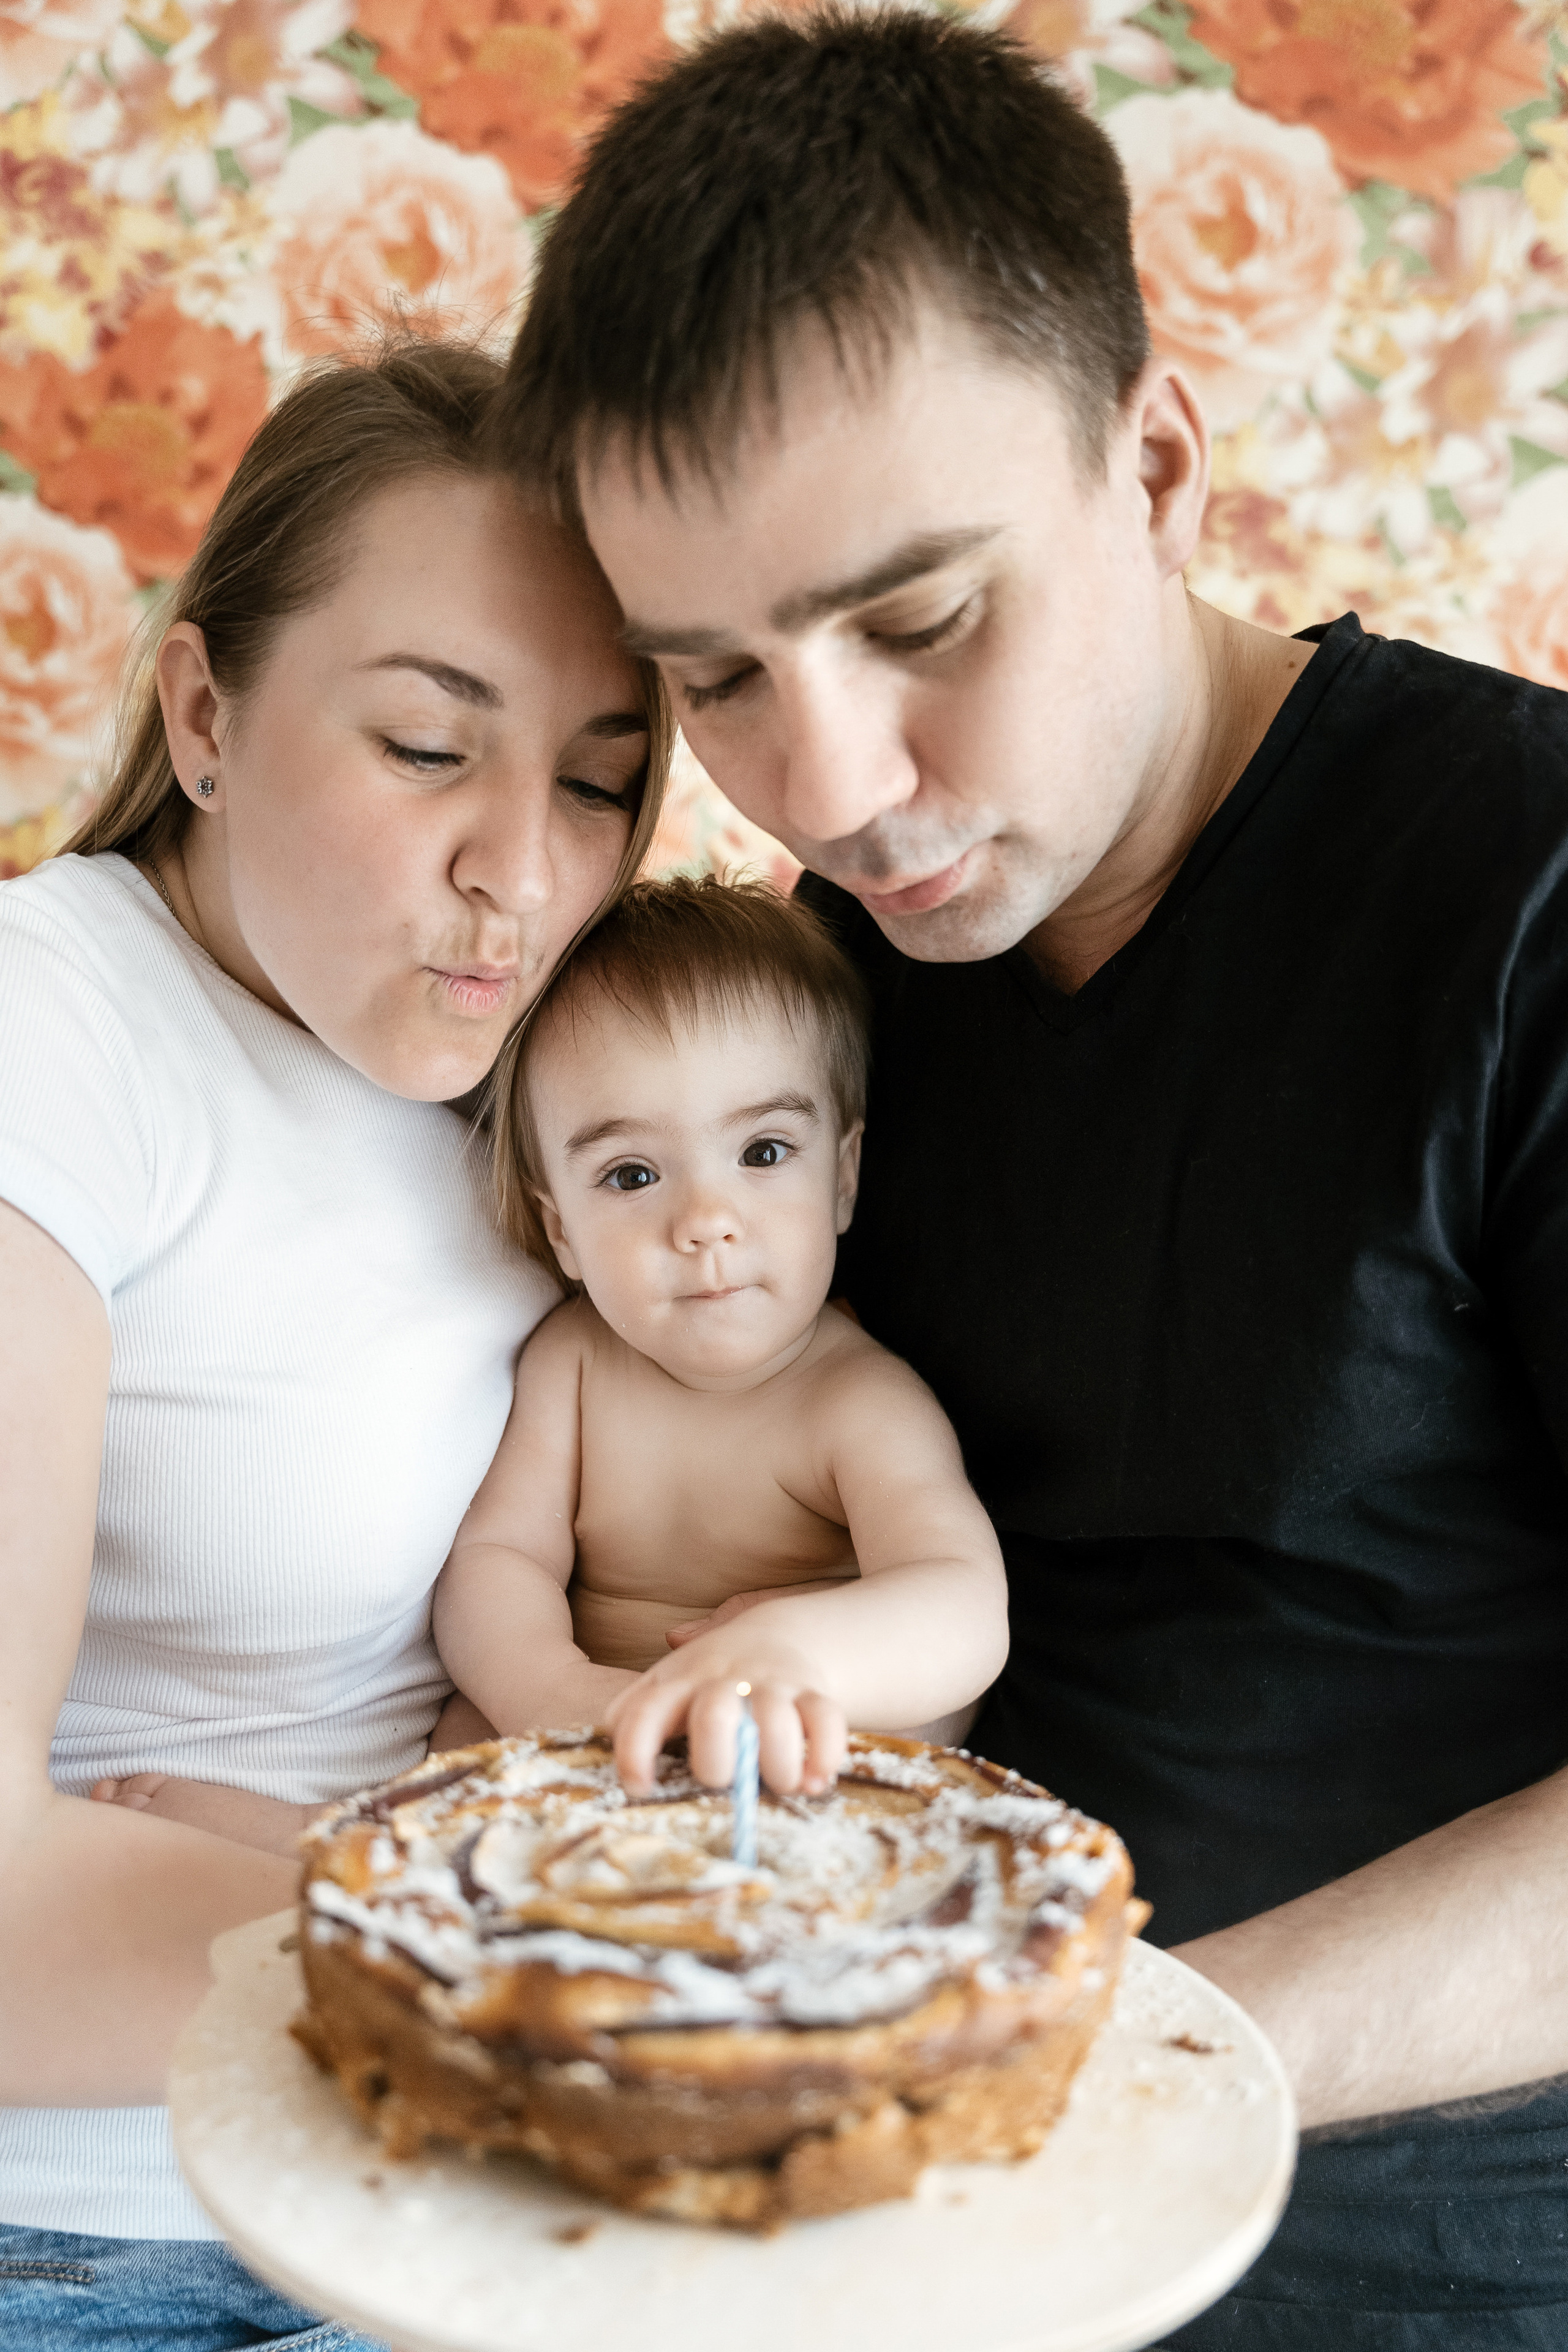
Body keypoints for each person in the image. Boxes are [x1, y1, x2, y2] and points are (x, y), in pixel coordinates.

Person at [492, 10, 1568, 2343]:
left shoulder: (1528, 893)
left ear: (1159, 464)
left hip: (1409, 2234)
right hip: (887, 2194)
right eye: (719, 679)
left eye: (923, 618)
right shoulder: (834, 987)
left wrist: (1116, 2061)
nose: (838, 782)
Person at [0, 339, 670, 2350]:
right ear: (205, 715)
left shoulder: (573, 1077)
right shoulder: (62, 1042)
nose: (522, 871)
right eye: (425, 747)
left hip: (465, 2201)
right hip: (94, 2242)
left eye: (602, 781)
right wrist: (596, 1952)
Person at [433, 873, 1008, 1793]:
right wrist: (552, 1689)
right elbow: (498, 1561)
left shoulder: (856, 1402)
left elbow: (966, 1605)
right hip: (599, 1743)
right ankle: (304, 1854)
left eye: (764, 1153)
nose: (705, 1220)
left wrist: (794, 1652)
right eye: (630, 1176)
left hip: (792, 1775)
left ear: (844, 1177)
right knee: (459, 1736)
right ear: (558, 1232)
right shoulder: (573, 1366)